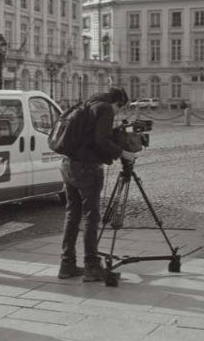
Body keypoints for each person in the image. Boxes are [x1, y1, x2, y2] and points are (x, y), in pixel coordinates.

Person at [58, 87, 137, 281]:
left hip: (68, 165)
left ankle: (66, 265)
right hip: (86, 167)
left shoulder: (88, 104)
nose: (118, 113)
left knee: (72, 214)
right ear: (117, 102)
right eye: (120, 108)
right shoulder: (105, 109)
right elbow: (101, 140)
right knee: (91, 216)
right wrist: (123, 153)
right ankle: (92, 266)